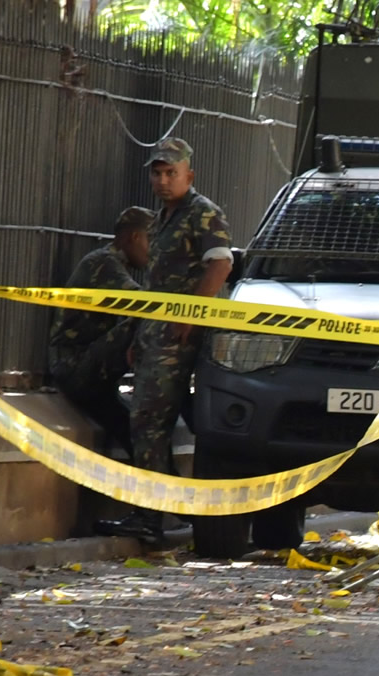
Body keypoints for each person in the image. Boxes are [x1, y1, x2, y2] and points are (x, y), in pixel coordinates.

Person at [95, 138, 234, 544]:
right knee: (150, 423)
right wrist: (142, 334)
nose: (162, 179)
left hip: (182, 336)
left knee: (149, 422)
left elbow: (220, 265)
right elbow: (156, 284)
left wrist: (187, 317)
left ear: (188, 175)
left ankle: (152, 517)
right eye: (157, 173)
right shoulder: (161, 219)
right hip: (158, 335)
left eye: (171, 172)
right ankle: (159, 513)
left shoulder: (203, 213)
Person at [48, 206, 155, 460]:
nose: (155, 252)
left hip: (89, 371)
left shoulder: (110, 262)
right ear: (136, 238)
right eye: (153, 242)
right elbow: (142, 303)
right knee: (147, 321)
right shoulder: (103, 263)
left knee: (133, 431)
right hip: (74, 366)